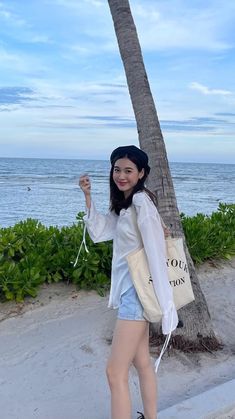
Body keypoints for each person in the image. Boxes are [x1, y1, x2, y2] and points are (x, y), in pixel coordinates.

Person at [79, 145, 178, 419]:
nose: (121, 175)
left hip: (136, 294)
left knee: (115, 372)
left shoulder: (140, 203)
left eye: (128, 170)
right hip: (131, 292)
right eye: (117, 169)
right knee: (142, 361)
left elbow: (157, 255)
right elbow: (100, 231)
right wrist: (88, 196)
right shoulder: (127, 205)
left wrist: (167, 305)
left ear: (141, 173)